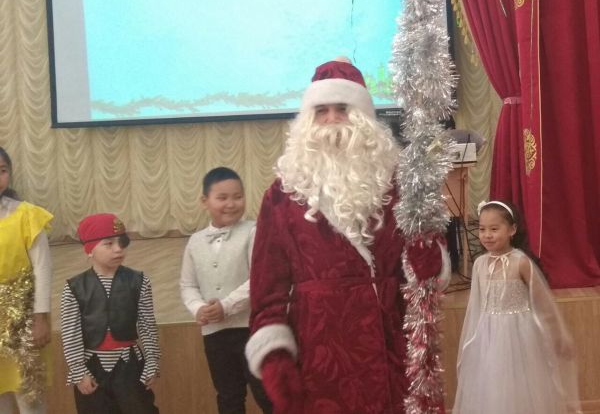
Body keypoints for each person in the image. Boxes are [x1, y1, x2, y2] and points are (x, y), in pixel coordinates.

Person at [244, 58, 449, 414]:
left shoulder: (400, 187)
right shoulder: (282, 195)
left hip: (393, 353)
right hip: (319, 357)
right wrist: (276, 360)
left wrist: (425, 254)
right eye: (321, 111)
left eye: (342, 108)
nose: (332, 119)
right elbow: (267, 290)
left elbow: (429, 280)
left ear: (363, 118)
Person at [453, 200, 581, 414]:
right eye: (482, 229)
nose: (487, 235)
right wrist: (473, 338)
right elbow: (476, 305)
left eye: (494, 229)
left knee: (521, 383)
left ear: (512, 230)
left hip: (521, 334)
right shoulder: (479, 265)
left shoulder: (520, 262)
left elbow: (543, 303)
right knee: (494, 382)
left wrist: (558, 335)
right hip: (488, 336)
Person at [180, 167, 272, 414]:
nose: (231, 204)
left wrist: (226, 305)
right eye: (222, 198)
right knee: (228, 395)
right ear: (205, 201)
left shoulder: (255, 231)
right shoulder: (195, 241)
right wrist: (199, 309)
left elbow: (260, 278)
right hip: (215, 333)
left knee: (267, 394)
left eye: (237, 197)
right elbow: (188, 285)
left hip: (252, 328)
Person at [60, 213, 160, 414]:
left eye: (121, 243)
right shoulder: (74, 287)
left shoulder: (139, 281)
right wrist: (79, 371)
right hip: (92, 368)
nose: (118, 249)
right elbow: (71, 334)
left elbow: (147, 325)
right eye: (108, 244)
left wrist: (152, 361)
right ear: (89, 249)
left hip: (129, 365)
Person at [0, 147, 53, 414]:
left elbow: (43, 269)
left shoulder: (26, 215)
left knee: (29, 396)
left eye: (2, 170)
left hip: (22, 319)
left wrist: (39, 318)